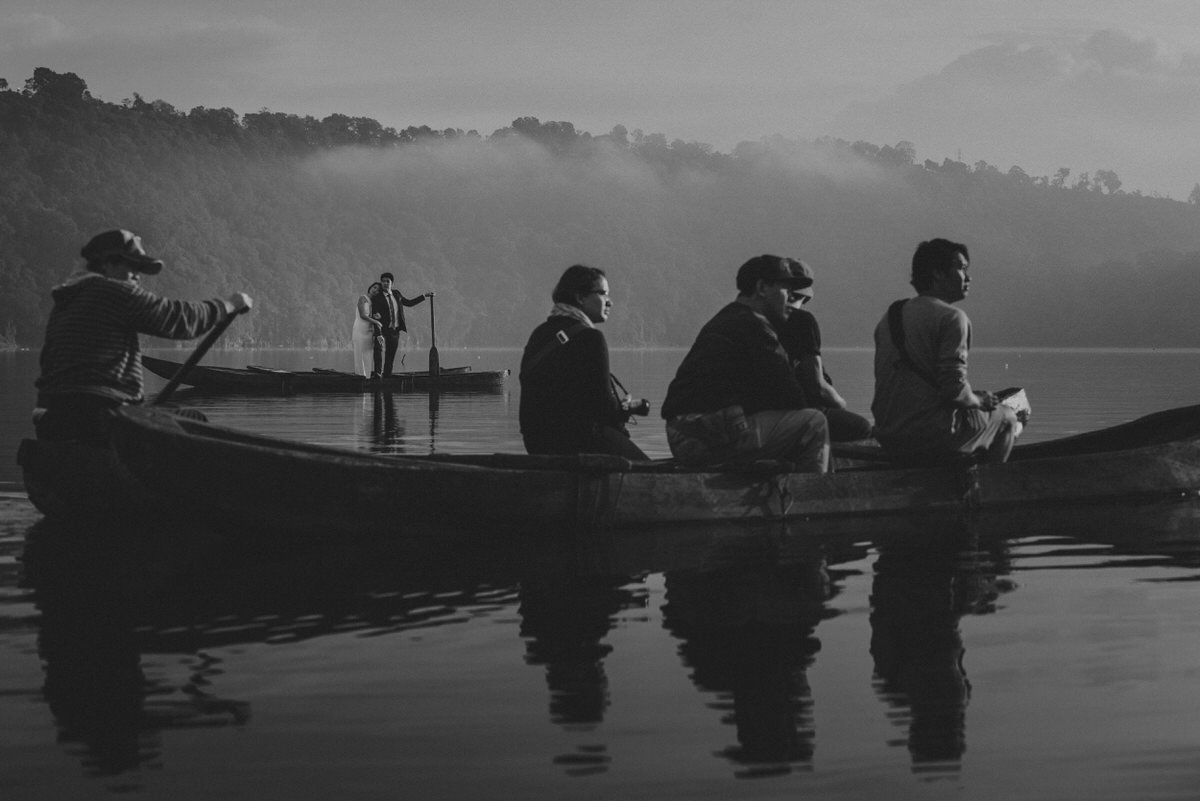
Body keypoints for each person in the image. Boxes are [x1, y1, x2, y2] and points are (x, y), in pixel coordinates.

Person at [34, 228, 253, 443]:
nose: (137, 276)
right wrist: (229, 305)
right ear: (108, 264)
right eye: (132, 267)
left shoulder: (65, 301)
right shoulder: (111, 292)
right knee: (193, 419)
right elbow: (179, 319)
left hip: (52, 417)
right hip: (98, 416)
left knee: (163, 413)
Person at [661, 254, 829, 472]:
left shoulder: (726, 319)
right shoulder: (755, 327)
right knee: (814, 424)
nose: (790, 298)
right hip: (710, 435)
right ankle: (811, 498)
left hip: (683, 434)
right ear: (761, 288)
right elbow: (793, 397)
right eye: (785, 289)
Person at [871, 238, 1021, 466]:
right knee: (1010, 416)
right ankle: (986, 488)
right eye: (961, 269)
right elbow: (954, 392)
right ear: (938, 273)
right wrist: (979, 400)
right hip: (930, 435)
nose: (968, 277)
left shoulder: (891, 316)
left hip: (888, 434)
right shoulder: (952, 318)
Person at [519, 264, 650, 460]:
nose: (610, 302)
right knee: (645, 469)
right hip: (579, 442)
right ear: (580, 297)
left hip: (536, 443)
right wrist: (623, 408)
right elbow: (604, 407)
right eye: (603, 294)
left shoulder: (540, 333)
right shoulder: (591, 338)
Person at [776, 259, 873, 442]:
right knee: (863, 427)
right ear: (798, 296)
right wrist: (841, 403)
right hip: (804, 412)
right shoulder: (802, 321)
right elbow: (817, 386)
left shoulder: (757, 320)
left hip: (769, 414)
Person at [370, 271, 432, 378]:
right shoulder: (377, 298)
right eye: (383, 281)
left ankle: (387, 376)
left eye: (387, 281)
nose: (385, 283)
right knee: (378, 352)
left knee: (390, 355)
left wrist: (424, 296)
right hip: (383, 330)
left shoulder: (397, 294)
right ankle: (377, 374)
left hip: (395, 330)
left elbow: (409, 303)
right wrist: (378, 333)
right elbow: (375, 316)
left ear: (391, 283)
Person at [352, 282, 383, 377]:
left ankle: (368, 376)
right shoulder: (363, 298)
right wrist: (376, 322)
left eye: (378, 290)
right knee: (359, 353)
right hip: (359, 329)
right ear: (370, 287)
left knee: (368, 355)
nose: (375, 290)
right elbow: (362, 315)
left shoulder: (374, 303)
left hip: (369, 331)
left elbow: (375, 315)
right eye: (374, 287)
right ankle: (361, 376)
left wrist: (378, 317)